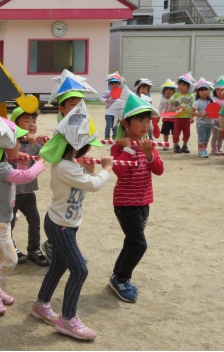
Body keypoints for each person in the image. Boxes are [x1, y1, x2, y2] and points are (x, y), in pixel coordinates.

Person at [32, 100, 112, 341]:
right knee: (80, 270)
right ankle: (68, 319)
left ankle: (40, 304)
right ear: (79, 145)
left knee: (59, 265)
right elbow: (94, 185)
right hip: (61, 226)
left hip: (66, 224)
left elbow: (84, 182)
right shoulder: (64, 167)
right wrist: (106, 169)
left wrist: (88, 169)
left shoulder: (71, 164)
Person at [0, 110, 45, 314]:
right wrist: (41, 162)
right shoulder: (0, 167)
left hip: (1, 218)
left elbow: (20, 177)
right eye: (17, 141)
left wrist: (26, 159)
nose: (20, 145)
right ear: (6, 146)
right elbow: (25, 177)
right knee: (10, 258)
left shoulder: (4, 162)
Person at [107, 86, 164, 302]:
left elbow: (158, 170)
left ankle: (117, 277)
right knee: (139, 244)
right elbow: (120, 172)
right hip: (125, 204)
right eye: (140, 121)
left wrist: (149, 154)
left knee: (131, 241)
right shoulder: (117, 147)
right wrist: (128, 149)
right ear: (125, 123)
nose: (145, 125)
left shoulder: (148, 145)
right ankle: (122, 278)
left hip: (143, 201)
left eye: (148, 121)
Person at [42, 69, 98, 263]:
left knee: (72, 211)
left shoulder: (83, 120)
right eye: (73, 105)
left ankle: (62, 248)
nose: (77, 109)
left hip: (74, 165)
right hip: (65, 169)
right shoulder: (62, 125)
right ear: (62, 108)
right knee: (64, 212)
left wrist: (82, 159)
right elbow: (59, 152)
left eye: (80, 104)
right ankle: (56, 246)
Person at [9, 107, 49, 266]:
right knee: (10, 222)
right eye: (26, 121)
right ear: (16, 124)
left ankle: (34, 248)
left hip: (28, 192)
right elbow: (19, 163)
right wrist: (33, 145)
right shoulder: (13, 144)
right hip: (13, 193)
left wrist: (43, 144)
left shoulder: (33, 141)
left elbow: (45, 155)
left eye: (34, 121)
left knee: (34, 220)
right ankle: (11, 248)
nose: (32, 124)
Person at [169, 73, 195, 154]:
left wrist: (192, 117)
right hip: (177, 117)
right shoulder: (176, 95)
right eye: (179, 85)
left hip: (187, 118)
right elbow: (171, 102)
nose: (181, 86)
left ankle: (185, 145)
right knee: (176, 132)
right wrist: (169, 108)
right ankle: (176, 145)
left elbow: (193, 107)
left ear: (188, 86)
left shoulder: (191, 96)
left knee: (187, 133)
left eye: (183, 85)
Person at [191, 78, 215, 158]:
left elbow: (216, 110)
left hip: (210, 123)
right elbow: (192, 112)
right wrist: (201, 115)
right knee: (201, 138)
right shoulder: (197, 102)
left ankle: (204, 150)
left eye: (206, 90)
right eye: (201, 90)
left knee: (207, 139)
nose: (204, 92)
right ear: (198, 92)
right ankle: (201, 151)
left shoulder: (211, 101)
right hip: (201, 124)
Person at [101, 72, 123, 140]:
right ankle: (107, 136)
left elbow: (124, 100)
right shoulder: (108, 92)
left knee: (115, 125)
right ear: (110, 84)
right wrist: (105, 100)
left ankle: (115, 137)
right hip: (109, 112)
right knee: (109, 125)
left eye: (116, 83)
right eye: (112, 84)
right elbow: (101, 98)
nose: (114, 85)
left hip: (116, 112)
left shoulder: (121, 92)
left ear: (119, 84)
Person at [157, 79, 176, 151]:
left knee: (175, 133)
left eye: (170, 90)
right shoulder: (163, 99)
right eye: (167, 90)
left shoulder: (176, 99)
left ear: (174, 91)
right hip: (166, 119)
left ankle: (175, 144)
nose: (169, 91)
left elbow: (179, 108)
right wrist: (158, 117)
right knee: (165, 133)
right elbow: (160, 108)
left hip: (175, 119)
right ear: (164, 91)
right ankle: (166, 144)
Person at [210, 76, 224, 155]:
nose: (220, 92)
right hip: (215, 122)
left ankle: (219, 148)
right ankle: (213, 149)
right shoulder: (213, 100)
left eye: (222, 90)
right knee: (215, 136)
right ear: (215, 91)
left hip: (223, 123)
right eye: (218, 90)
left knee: (221, 137)